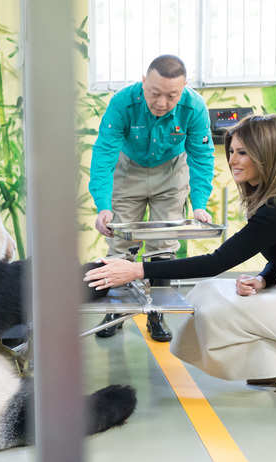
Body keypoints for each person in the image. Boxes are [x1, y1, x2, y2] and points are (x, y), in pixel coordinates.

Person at [84, 114, 276, 396]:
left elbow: (217, 261)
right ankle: (273, 363)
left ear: (267, 155)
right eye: (231, 151)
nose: (232, 160)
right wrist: (264, 280)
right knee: (207, 293)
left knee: (222, 313)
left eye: (243, 153)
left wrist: (138, 270)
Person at [89, 54, 215, 342]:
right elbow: (104, 153)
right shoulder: (123, 102)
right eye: (154, 93)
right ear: (143, 81)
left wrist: (199, 205)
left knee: (163, 243)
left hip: (171, 173)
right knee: (120, 240)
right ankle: (116, 311)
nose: (162, 103)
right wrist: (103, 205)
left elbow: (202, 156)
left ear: (184, 88)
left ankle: (157, 313)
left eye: (172, 95)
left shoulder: (194, 107)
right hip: (128, 170)